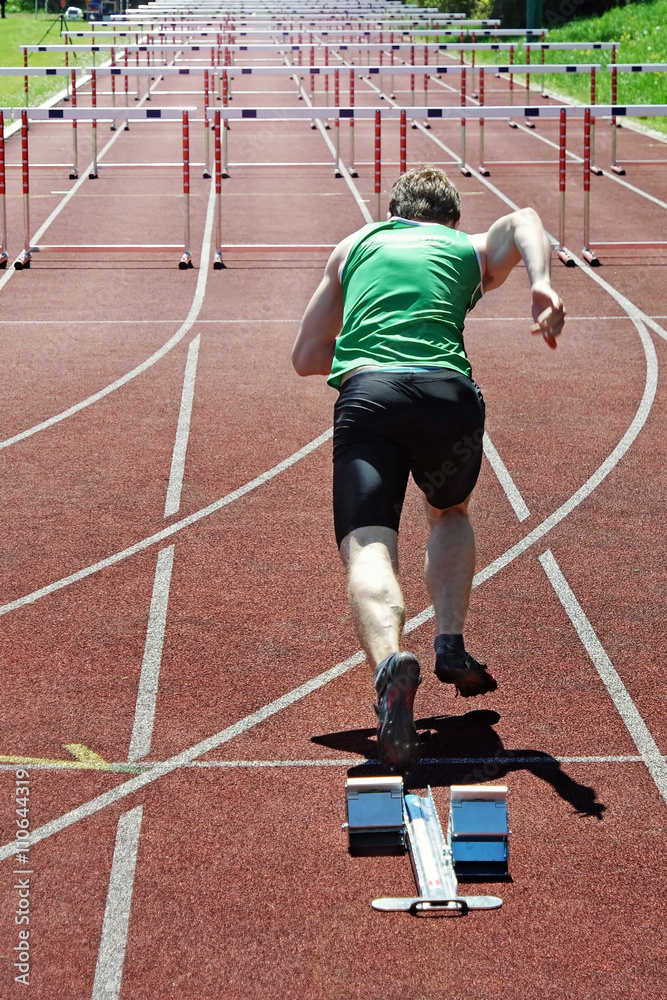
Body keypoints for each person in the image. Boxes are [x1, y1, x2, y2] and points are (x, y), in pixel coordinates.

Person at [292, 165, 565, 771]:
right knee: (449, 510)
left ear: (393, 212)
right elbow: (524, 219)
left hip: (369, 396)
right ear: (452, 219)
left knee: (367, 548)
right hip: (449, 398)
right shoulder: (463, 247)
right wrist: (540, 282)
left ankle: (391, 665)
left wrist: (363, 345)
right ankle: (449, 640)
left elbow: (305, 357)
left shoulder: (355, 245)